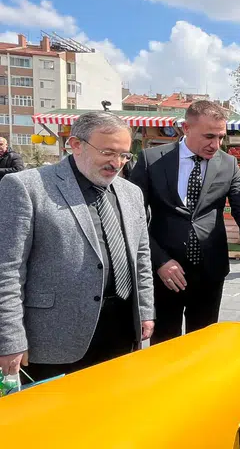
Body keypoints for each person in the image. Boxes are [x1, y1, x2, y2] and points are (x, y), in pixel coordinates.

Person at [0, 112, 154, 382]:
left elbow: (141, 257)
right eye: (108, 152)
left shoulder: (131, 193)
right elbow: (7, 270)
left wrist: (145, 311)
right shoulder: (26, 187)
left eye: (124, 155)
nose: (117, 163)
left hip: (120, 332)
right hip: (54, 340)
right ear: (76, 145)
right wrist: (10, 339)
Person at [130, 100, 240, 344]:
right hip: (165, 273)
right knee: (165, 346)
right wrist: (159, 260)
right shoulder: (151, 160)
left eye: (221, 137)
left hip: (209, 272)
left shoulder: (228, 164)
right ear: (186, 128)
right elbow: (133, 216)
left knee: (203, 345)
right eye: (209, 136)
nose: (216, 144)